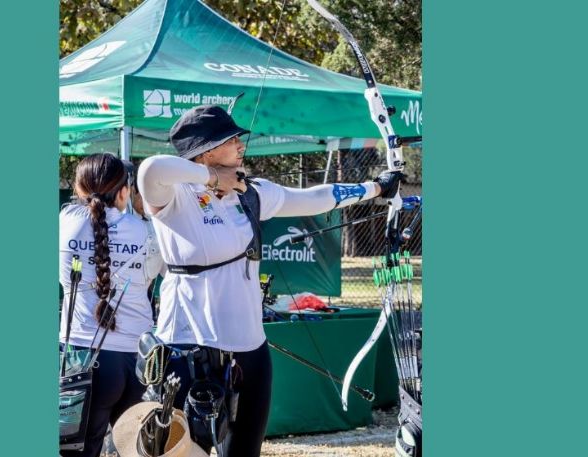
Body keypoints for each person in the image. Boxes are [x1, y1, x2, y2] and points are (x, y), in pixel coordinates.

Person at [136, 105, 403, 457]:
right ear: (206, 151)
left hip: (249, 349)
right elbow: (151, 168)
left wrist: (375, 187)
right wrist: (213, 179)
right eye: (230, 139)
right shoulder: (174, 196)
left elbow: (314, 198)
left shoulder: (251, 193)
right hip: (188, 347)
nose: (240, 144)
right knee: (184, 452)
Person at [59, 153, 162, 457]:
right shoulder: (147, 232)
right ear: (124, 192)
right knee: (134, 450)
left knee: (76, 449)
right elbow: (153, 279)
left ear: (79, 189)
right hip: (137, 359)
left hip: (82, 357)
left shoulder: (65, 223)